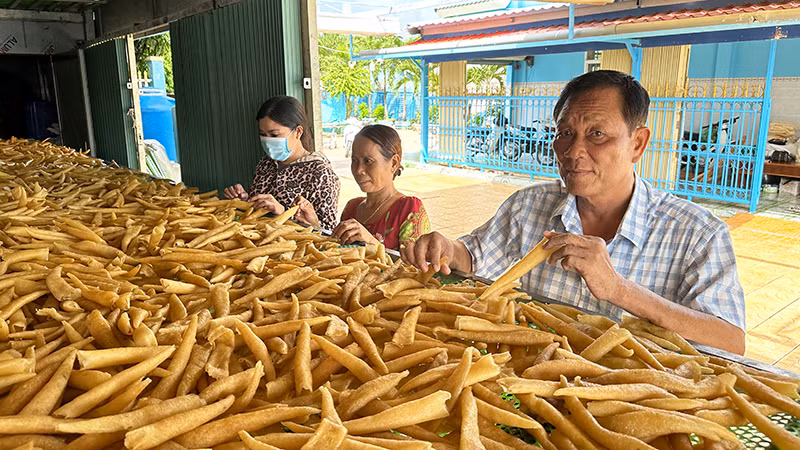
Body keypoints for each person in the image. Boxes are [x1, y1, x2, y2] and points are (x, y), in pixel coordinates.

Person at [400, 70, 745, 354]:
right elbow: (473, 257)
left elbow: (730, 339)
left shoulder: (698, 233)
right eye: (565, 132)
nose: (574, 150)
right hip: (534, 384)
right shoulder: (530, 206)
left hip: (629, 402)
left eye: (596, 134)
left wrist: (619, 290)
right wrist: (447, 248)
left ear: (637, 143)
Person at [295, 124, 430, 250]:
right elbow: (339, 253)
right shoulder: (352, 208)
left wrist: (371, 242)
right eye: (355, 161)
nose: (359, 170)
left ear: (394, 163)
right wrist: (315, 226)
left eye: (368, 161)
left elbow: (415, 270)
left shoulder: (409, 209)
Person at [223, 96, 340, 231]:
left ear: (298, 132)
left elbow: (328, 232)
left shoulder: (320, 172)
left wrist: (283, 214)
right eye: (263, 134)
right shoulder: (265, 164)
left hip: (295, 250)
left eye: (274, 135)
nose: (267, 141)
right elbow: (257, 211)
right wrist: (245, 201)